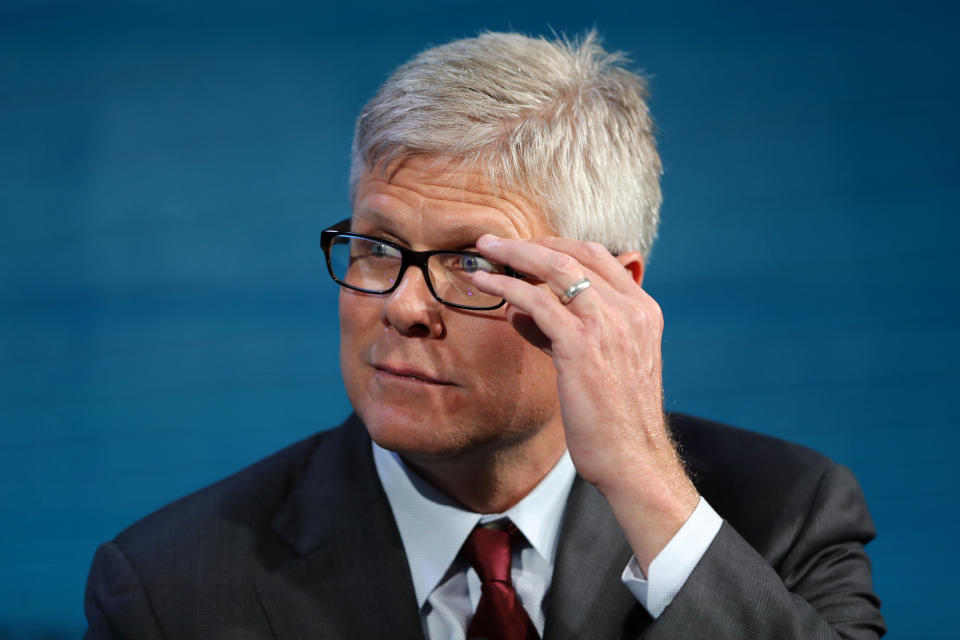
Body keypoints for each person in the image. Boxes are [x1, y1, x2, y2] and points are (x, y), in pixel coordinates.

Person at [83, 31, 885, 639]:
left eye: (471, 261)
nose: (401, 306)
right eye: (377, 248)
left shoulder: (786, 515)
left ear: (611, 295)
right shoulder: (170, 588)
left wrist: (647, 489)